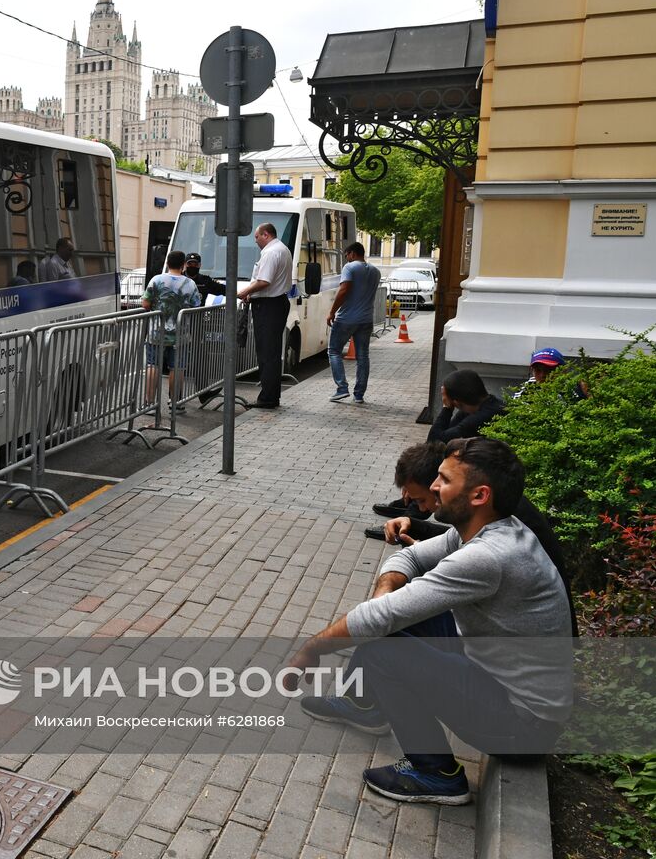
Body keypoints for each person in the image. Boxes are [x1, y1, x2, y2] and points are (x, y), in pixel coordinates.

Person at [288, 437, 573, 805]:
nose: (433, 488)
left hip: (524, 727)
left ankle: (435, 772)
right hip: (502, 684)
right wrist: (383, 598)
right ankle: (365, 705)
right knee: (393, 622)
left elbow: (381, 618)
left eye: (444, 480)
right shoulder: (483, 529)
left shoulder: (488, 555)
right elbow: (408, 561)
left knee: (382, 647)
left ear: (479, 495)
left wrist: (311, 648)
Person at [365, 442, 578, 637]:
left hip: (513, 661)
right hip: (505, 637)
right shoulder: (495, 513)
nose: (426, 501)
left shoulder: (495, 548)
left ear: (478, 495)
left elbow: (475, 558)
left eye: (444, 480)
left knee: (384, 636)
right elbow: (435, 547)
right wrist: (416, 526)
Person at [237, 222, 293, 409]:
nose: (255, 240)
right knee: (272, 353)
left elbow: (264, 281)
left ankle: (268, 398)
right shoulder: (282, 249)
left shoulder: (270, 252)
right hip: (275, 303)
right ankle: (270, 396)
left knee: (267, 353)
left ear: (266, 234)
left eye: (257, 236)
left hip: (269, 306)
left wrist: (244, 292)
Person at [141, 250, 201, 407]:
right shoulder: (190, 283)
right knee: (178, 368)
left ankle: (149, 403)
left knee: (152, 366)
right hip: (180, 335)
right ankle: (175, 402)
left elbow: (146, 304)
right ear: (183, 265)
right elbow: (196, 305)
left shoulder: (157, 280)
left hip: (156, 333)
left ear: (167, 263)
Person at [326, 242, 381, 403]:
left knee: (334, 351)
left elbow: (344, 290)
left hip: (346, 319)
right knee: (363, 356)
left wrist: (331, 312)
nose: (346, 259)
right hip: (366, 319)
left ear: (351, 253)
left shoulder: (349, 268)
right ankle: (359, 395)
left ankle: (342, 388)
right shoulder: (375, 272)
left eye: (346, 256)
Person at [427, 369, 505, 443]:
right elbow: (447, 431)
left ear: (456, 403)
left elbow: (434, 443)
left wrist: (447, 408)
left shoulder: (479, 418)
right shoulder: (486, 404)